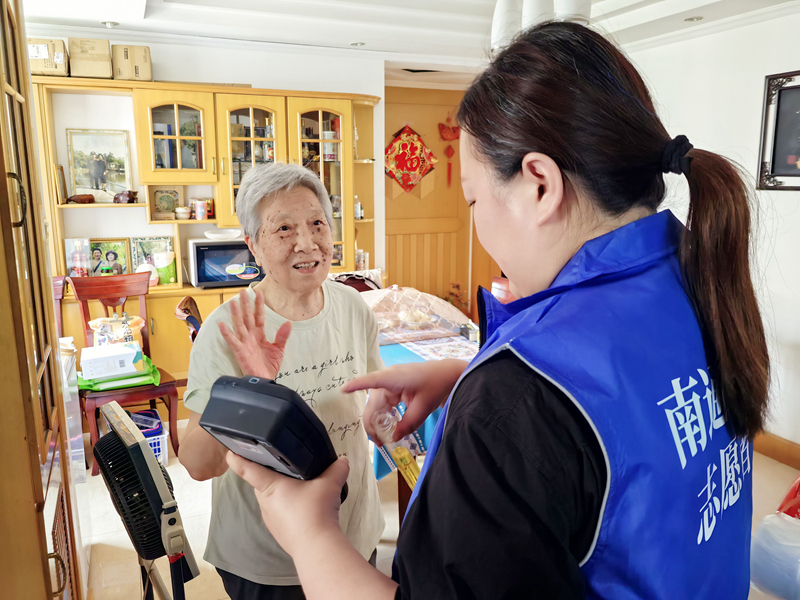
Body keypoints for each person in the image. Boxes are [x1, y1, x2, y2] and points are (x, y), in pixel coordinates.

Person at [225, 21, 770, 600]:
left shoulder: (513, 405)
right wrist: (470, 377)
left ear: (539, 185)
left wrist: (309, 533)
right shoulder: (695, 278)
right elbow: (622, 413)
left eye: (472, 199)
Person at [180, 162, 385, 600]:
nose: (306, 243)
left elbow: (370, 396)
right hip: (269, 562)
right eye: (284, 229)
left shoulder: (353, 307)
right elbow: (197, 464)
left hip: (352, 538)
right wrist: (251, 392)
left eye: (317, 224)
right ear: (253, 246)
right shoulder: (228, 329)